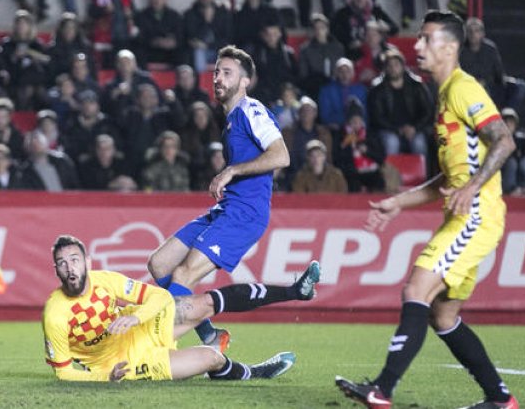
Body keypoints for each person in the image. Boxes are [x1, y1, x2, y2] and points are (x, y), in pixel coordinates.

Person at [336, 11, 519, 409]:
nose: (416, 46)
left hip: (476, 215)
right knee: (443, 314)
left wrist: (472, 186)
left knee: (416, 289)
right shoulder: (444, 96)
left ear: (450, 48)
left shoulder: (463, 89)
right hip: (466, 213)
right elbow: (446, 180)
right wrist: (397, 203)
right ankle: (500, 399)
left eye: (426, 39)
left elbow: (504, 141)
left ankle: (382, 390)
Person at [147, 46, 289, 351]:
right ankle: (212, 337)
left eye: (227, 73)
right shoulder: (229, 120)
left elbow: (282, 155)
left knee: (185, 273)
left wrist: (231, 171)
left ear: (244, 81)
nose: (218, 79)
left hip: (245, 213)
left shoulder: (251, 110)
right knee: (160, 264)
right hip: (226, 208)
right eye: (216, 72)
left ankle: (151, 346)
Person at [44, 234, 318, 383]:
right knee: (212, 358)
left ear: (87, 262)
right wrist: (106, 376)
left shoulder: (105, 280)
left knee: (207, 302)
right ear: (56, 269)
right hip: (125, 364)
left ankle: (294, 291)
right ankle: (254, 372)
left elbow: (159, 298)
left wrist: (136, 318)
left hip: (139, 328)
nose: (70, 268)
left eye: (75, 260)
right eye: (63, 263)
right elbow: (63, 372)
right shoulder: (55, 313)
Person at [367, 48, 432, 157]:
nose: (393, 68)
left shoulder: (417, 85)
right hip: (389, 129)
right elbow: (377, 117)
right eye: (389, 65)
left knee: (419, 143)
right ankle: (392, 174)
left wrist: (414, 128)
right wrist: (398, 130)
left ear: (402, 66)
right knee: (392, 143)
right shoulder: (377, 89)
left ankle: (421, 174)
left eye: (396, 65)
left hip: (415, 128)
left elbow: (427, 111)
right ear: (385, 68)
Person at [460, 17, 525, 110]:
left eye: (476, 31)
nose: (473, 34)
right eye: (470, 31)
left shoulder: (490, 48)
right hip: (468, 88)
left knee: (520, 86)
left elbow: (499, 74)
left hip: (490, 85)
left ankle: (507, 115)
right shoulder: (460, 50)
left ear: (482, 33)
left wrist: (488, 82)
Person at [14, 129, 79, 191]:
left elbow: (74, 185)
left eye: (39, 142)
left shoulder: (62, 161)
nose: (36, 145)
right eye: (32, 144)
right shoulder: (24, 172)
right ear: (27, 148)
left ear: (46, 143)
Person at [134, 0, 183, 67]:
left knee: (182, 54)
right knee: (139, 53)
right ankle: (143, 78)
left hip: (169, 51)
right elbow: (139, 37)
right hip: (150, 50)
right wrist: (155, 41)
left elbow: (180, 34)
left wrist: (173, 42)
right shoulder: (141, 16)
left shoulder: (174, 15)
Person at [318, 57, 367, 130]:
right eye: (341, 71)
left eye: (348, 71)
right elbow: (325, 116)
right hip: (336, 128)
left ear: (353, 73)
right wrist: (347, 121)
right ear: (336, 73)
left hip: (358, 129)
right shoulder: (326, 91)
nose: (345, 75)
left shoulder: (361, 90)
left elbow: (365, 114)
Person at [500, 108, 525, 195]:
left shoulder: (522, 138)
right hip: (503, 174)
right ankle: (511, 189)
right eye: (505, 121)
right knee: (511, 162)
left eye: (511, 121)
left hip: (521, 171)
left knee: (524, 162)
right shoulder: (496, 139)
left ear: (515, 124)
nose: (508, 124)